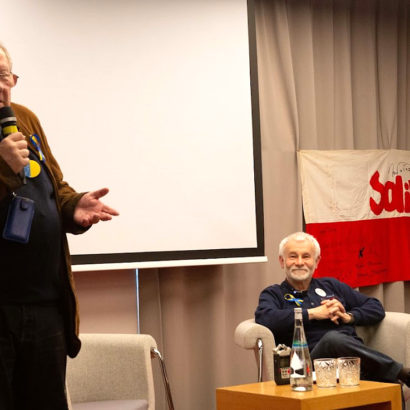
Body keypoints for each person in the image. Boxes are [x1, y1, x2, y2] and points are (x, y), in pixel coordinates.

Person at [0, 43, 119, 410]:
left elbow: (53, 185)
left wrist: (73, 206)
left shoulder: (24, 119)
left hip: (45, 303)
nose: (1, 86)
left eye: (4, 76)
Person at [255, 231, 410, 388]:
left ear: (317, 261)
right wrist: (312, 313)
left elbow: (376, 307)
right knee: (332, 340)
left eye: (306, 256)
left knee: (390, 385)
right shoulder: (274, 293)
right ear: (282, 261)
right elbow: (266, 318)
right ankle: (401, 372)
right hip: (309, 365)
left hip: (352, 361)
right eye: (293, 256)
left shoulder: (330, 285)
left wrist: (349, 316)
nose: (300, 262)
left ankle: (392, 376)